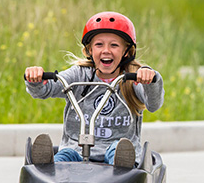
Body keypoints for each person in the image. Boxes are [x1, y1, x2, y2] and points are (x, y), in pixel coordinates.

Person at [24, 11, 164, 168]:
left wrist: (151, 81)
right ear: (89, 50)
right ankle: (48, 166)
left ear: (126, 52)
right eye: (99, 44)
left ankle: (123, 167)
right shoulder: (79, 75)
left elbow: (154, 104)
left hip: (116, 152)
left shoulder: (132, 78)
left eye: (114, 45)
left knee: (117, 149)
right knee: (66, 154)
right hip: (76, 149)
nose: (106, 50)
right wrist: (36, 80)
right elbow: (44, 90)